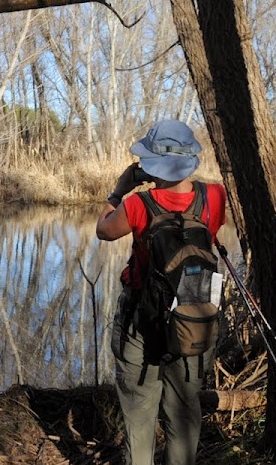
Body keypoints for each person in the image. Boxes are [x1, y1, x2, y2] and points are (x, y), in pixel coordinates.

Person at [95, 119, 227, 465]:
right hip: (194, 310)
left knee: (140, 413)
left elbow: (103, 230)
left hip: (143, 317)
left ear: (153, 164)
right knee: (183, 409)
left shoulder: (138, 204)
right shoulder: (214, 196)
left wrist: (118, 191)